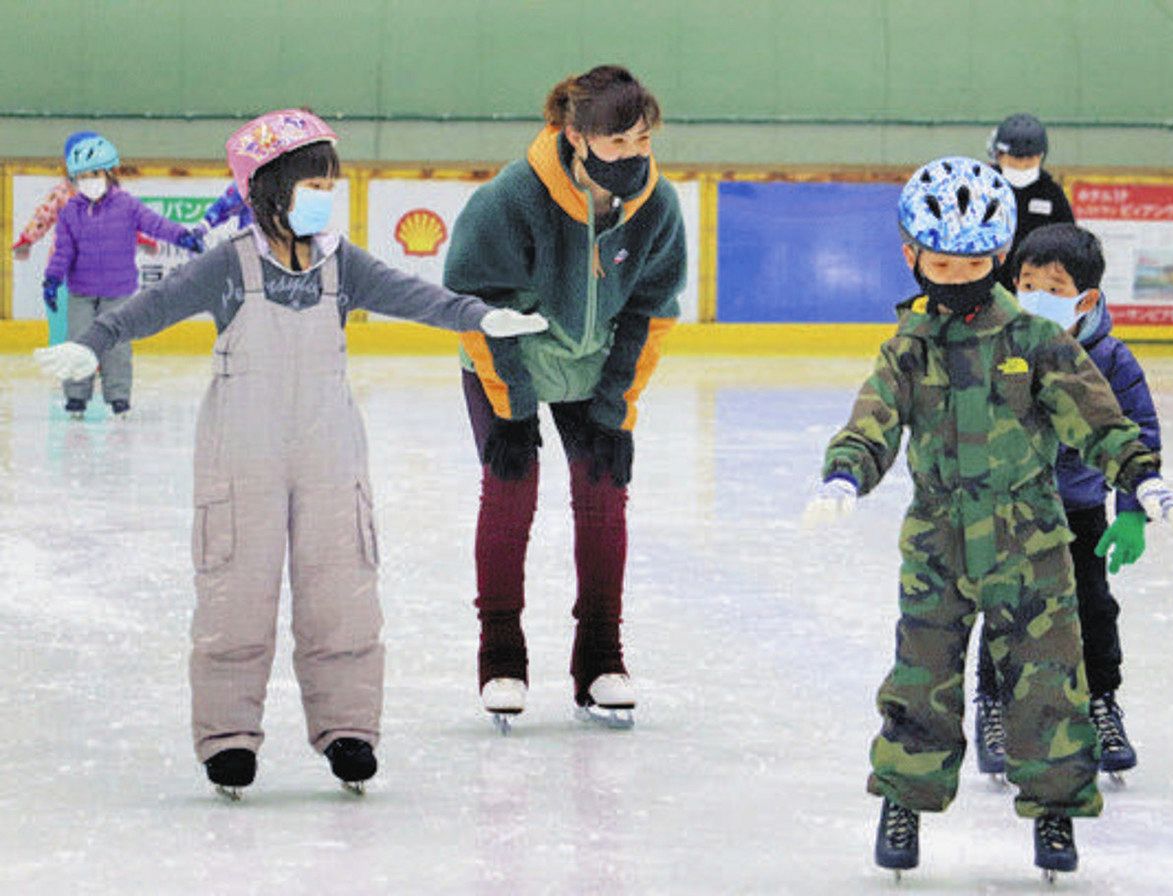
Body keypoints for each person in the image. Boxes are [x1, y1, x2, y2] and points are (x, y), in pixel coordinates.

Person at [33, 109, 548, 796]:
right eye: (311, 184)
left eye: (328, 183)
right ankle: (228, 739)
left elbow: (414, 296)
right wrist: (89, 345)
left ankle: (348, 730)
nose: (323, 196)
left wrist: (481, 316)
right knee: (235, 587)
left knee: (342, 583)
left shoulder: (342, 264)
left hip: (328, 445)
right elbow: (144, 311)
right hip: (241, 450)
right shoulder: (230, 265)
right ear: (267, 190)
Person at [799, 157, 1173, 880]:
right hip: (938, 541)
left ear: (1000, 256)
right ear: (912, 255)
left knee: (1048, 683)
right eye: (943, 263)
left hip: (1030, 538)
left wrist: (1143, 478)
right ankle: (904, 800)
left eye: (974, 262)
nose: (957, 277)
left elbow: (1096, 419)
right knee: (922, 678)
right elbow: (875, 416)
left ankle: (1054, 813)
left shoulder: (1038, 342)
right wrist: (846, 472)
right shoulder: (910, 346)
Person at [442, 64, 686, 728]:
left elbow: (652, 312)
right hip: (507, 356)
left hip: (596, 365)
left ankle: (602, 659)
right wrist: (514, 411)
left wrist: (616, 404)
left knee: (604, 492)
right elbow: (473, 304)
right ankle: (501, 658)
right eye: (617, 145)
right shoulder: (510, 199)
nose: (633, 158)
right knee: (510, 488)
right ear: (574, 135)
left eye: (642, 143)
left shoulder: (656, 207)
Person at [974, 223, 1161, 782]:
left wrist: (1130, 510)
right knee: (1006, 607)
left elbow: (1139, 433)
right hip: (1012, 509)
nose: (1034, 299)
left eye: (1052, 291)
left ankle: (1101, 702)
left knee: (1093, 610)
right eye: (1025, 284)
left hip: (1079, 511)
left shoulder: (1111, 359)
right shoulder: (999, 346)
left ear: (1086, 300)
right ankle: (995, 707)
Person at [40, 133, 204, 417]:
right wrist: (53, 280)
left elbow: (156, 224)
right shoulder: (70, 212)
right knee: (79, 341)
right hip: (81, 291)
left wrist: (182, 237)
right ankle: (76, 397)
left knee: (116, 346)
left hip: (118, 291)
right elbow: (63, 252)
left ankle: (118, 397)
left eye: (93, 174)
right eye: (81, 176)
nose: (88, 181)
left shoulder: (127, 205)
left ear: (108, 172)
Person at [12, 132, 159, 346]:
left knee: (98, 322)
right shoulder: (64, 191)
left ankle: (92, 358)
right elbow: (44, 215)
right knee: (63, 322)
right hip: (66, 273)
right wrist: (26, 239)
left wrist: (141, 239)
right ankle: (64, 358)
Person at [987, 113, 1074, 290]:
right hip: (988, 285)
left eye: (1030, 159)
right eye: (1016, 159)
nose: (1022, 166)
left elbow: (1069, 242)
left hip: (1036, 287)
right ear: (999, 155)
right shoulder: (984, 187)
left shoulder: (1051, 193)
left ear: (1041, 157)